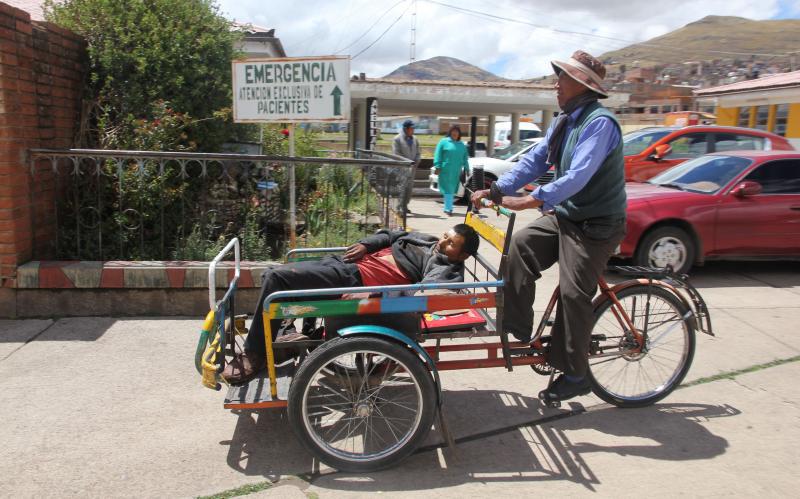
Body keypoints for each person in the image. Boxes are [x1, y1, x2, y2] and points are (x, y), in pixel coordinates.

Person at [471, 50, 627, 405]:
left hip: (596, 224)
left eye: (563, 77)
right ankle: (517, 328)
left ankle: (575, 373)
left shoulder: (599, 123)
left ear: (583, 85)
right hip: (568, 215)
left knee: (573, 293)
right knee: (521, 245)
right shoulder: (564, 121)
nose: (556, 83)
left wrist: (531, 200)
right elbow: (534, 160)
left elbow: (577, 176)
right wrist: (496, 190)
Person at [223, 224, 481, 384]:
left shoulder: (446, 268)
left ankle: (255, 354)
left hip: (355, 280)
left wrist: (375, 295)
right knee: (276, 275)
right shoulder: (427, 240)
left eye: (450, 244)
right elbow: (391, 235)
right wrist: (365, 244)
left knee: (277, 280)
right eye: (446, 236)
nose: (442, 243)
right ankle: (282, 339)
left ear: (463, 255)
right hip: (347, 263)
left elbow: (423, 295)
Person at [433, 124, 469, 216]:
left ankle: (447, 207)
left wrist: (467, 168)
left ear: (459, 133)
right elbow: (438, 154)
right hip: (445, 170)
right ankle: (448, 209)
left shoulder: (461, 145)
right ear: (450, 132)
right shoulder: (443, 142)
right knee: (448, 189)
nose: (455, 133)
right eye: (453, 131)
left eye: (457, 131)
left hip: (456, 172)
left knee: (451, 190)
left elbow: (465, 158)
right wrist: (437, 166)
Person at [392, 119, 421, 216]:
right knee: (402, 188)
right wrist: (407, 162)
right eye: (411, 128)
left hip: (412, 169)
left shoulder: (415, 139)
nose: (413, 130)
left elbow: (418, 152)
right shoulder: (397, 139)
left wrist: (416, 161)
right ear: (405, 129)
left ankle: (405, 206)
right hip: (402, 169)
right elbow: (396, 153)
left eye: (413, 128)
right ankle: (399, 208)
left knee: (409, 189)